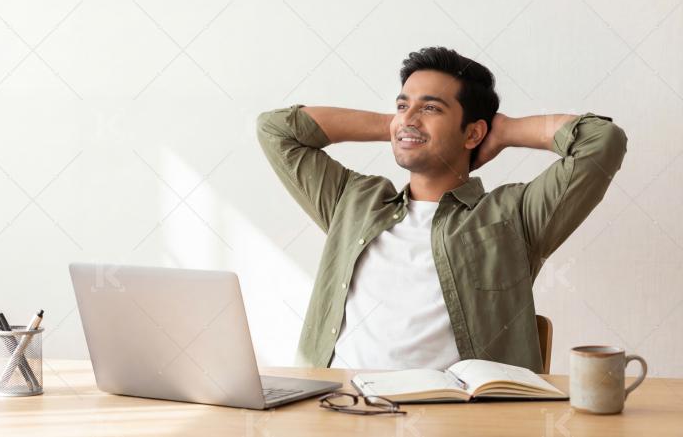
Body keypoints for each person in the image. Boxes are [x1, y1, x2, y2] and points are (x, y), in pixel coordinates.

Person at [256, 46, 628, 372]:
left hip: (457, 419)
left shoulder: (513, 215)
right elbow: (275, 130)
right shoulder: (352, 201)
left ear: (473, 133)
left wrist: (505, 131)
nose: (409, 115)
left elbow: (601, 141)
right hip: (338, 409)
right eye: (402, 104)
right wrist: (400, 126)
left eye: (431, 107)